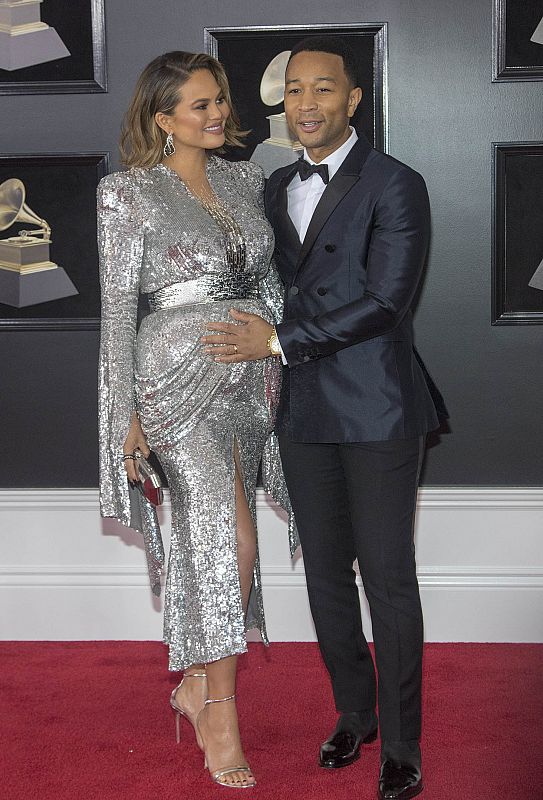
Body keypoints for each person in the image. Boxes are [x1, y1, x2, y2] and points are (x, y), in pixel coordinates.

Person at [202, 36, 446, 800]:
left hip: (376, 405)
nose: (305, 103)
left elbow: (384, 303)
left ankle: (401, 744)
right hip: (301, 407)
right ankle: (354, 714)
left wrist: (275, 341)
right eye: (294, 91)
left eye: (322, 90)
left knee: (386, 577)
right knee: (326, 580)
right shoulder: (273, 187)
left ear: (352, 100)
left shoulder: (395, 183)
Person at [97, 51, 295, 789]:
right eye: (200, 105)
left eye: (219, 101)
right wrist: (123, 419)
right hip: (174, 385)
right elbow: (119, 313)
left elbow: (272, 278)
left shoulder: (248, 179)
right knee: (230, 538)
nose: (217, 114)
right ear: (162, 118)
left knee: (227, 538)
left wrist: (272, 343)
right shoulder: (127, 194)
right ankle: (217, 710)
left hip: (251, 382)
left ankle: (195, 687)